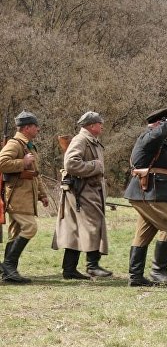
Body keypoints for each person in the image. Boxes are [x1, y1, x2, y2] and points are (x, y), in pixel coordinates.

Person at [123, 108, 167, 286]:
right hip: (148, 192)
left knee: (144, 234)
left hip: (153, 192)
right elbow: (157, 135)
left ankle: (136, 276)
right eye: (163, 123)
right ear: (158, 124)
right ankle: (158, 271)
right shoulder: (148, 137)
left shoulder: (158, 140)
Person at [51, 111, 113, 279]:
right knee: (95, 224)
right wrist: (95, 166)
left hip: (87, 190)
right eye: (100, 123)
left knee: (75, 230)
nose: (102, 126)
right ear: (92, 125)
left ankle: (69, 270)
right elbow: (71, 163)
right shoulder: (81, 140)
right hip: (82, 190)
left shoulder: (90, 140)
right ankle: (92, 265)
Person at [0, 111, 50, 283]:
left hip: (25, 196)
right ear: (27, 127)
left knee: (15, 234)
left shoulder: (28, 145)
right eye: (35, 126)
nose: (38, 129)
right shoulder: (15, 144)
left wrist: (42, 194)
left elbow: (35, 174)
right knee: (30, 228)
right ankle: (8, 265)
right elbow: (2, 163)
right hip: (17, 197)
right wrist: (23, 162)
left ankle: (9, 273)